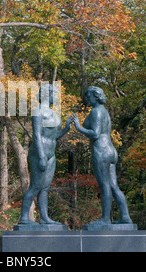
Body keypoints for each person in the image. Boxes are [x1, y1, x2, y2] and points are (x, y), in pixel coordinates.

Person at [72, 86, 132, 225]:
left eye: (89, 96)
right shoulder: (103, 111)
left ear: (96, 96)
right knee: (113, 186)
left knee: (105, 186)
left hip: (101, 151)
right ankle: (125, 217)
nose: (87, 99)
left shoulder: (96, 112)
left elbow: (95, 133)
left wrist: (78, 127)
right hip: (110, 150)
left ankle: (105, 219)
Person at [18, 84, 72, 225]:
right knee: (35, 186)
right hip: (39, 153)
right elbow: (36, 135)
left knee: (45, 187)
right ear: (48, 94)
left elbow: (54, 137)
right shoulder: (38, 111)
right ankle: (24, 218)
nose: (57, 97)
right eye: (55, 94)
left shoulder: (54, 114)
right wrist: (41, 156)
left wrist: (66, 128)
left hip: (51, 154)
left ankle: (44, 218)